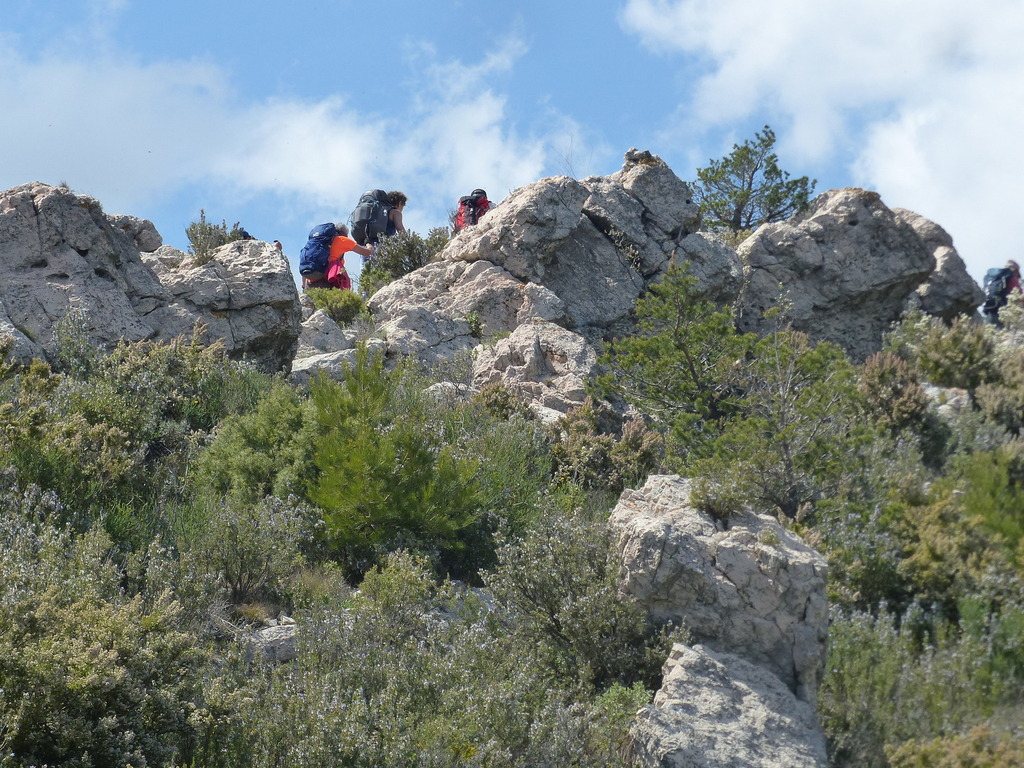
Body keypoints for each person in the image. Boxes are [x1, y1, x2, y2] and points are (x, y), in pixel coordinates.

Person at [303, 224, 371, 291]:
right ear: (344, 234)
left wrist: (304, 285)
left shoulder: (316, 244)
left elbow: (306, 263)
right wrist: (368, 243)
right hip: (327, 282)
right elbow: (367, 252)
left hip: (310, 284)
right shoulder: (342, 240)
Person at [982, 260, 1022, 327]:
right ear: (1015, 271)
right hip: (1003, 311)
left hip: (989, 308)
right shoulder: (1011, 277)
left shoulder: (994, 277)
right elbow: (1020, 295)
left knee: (991, 331)